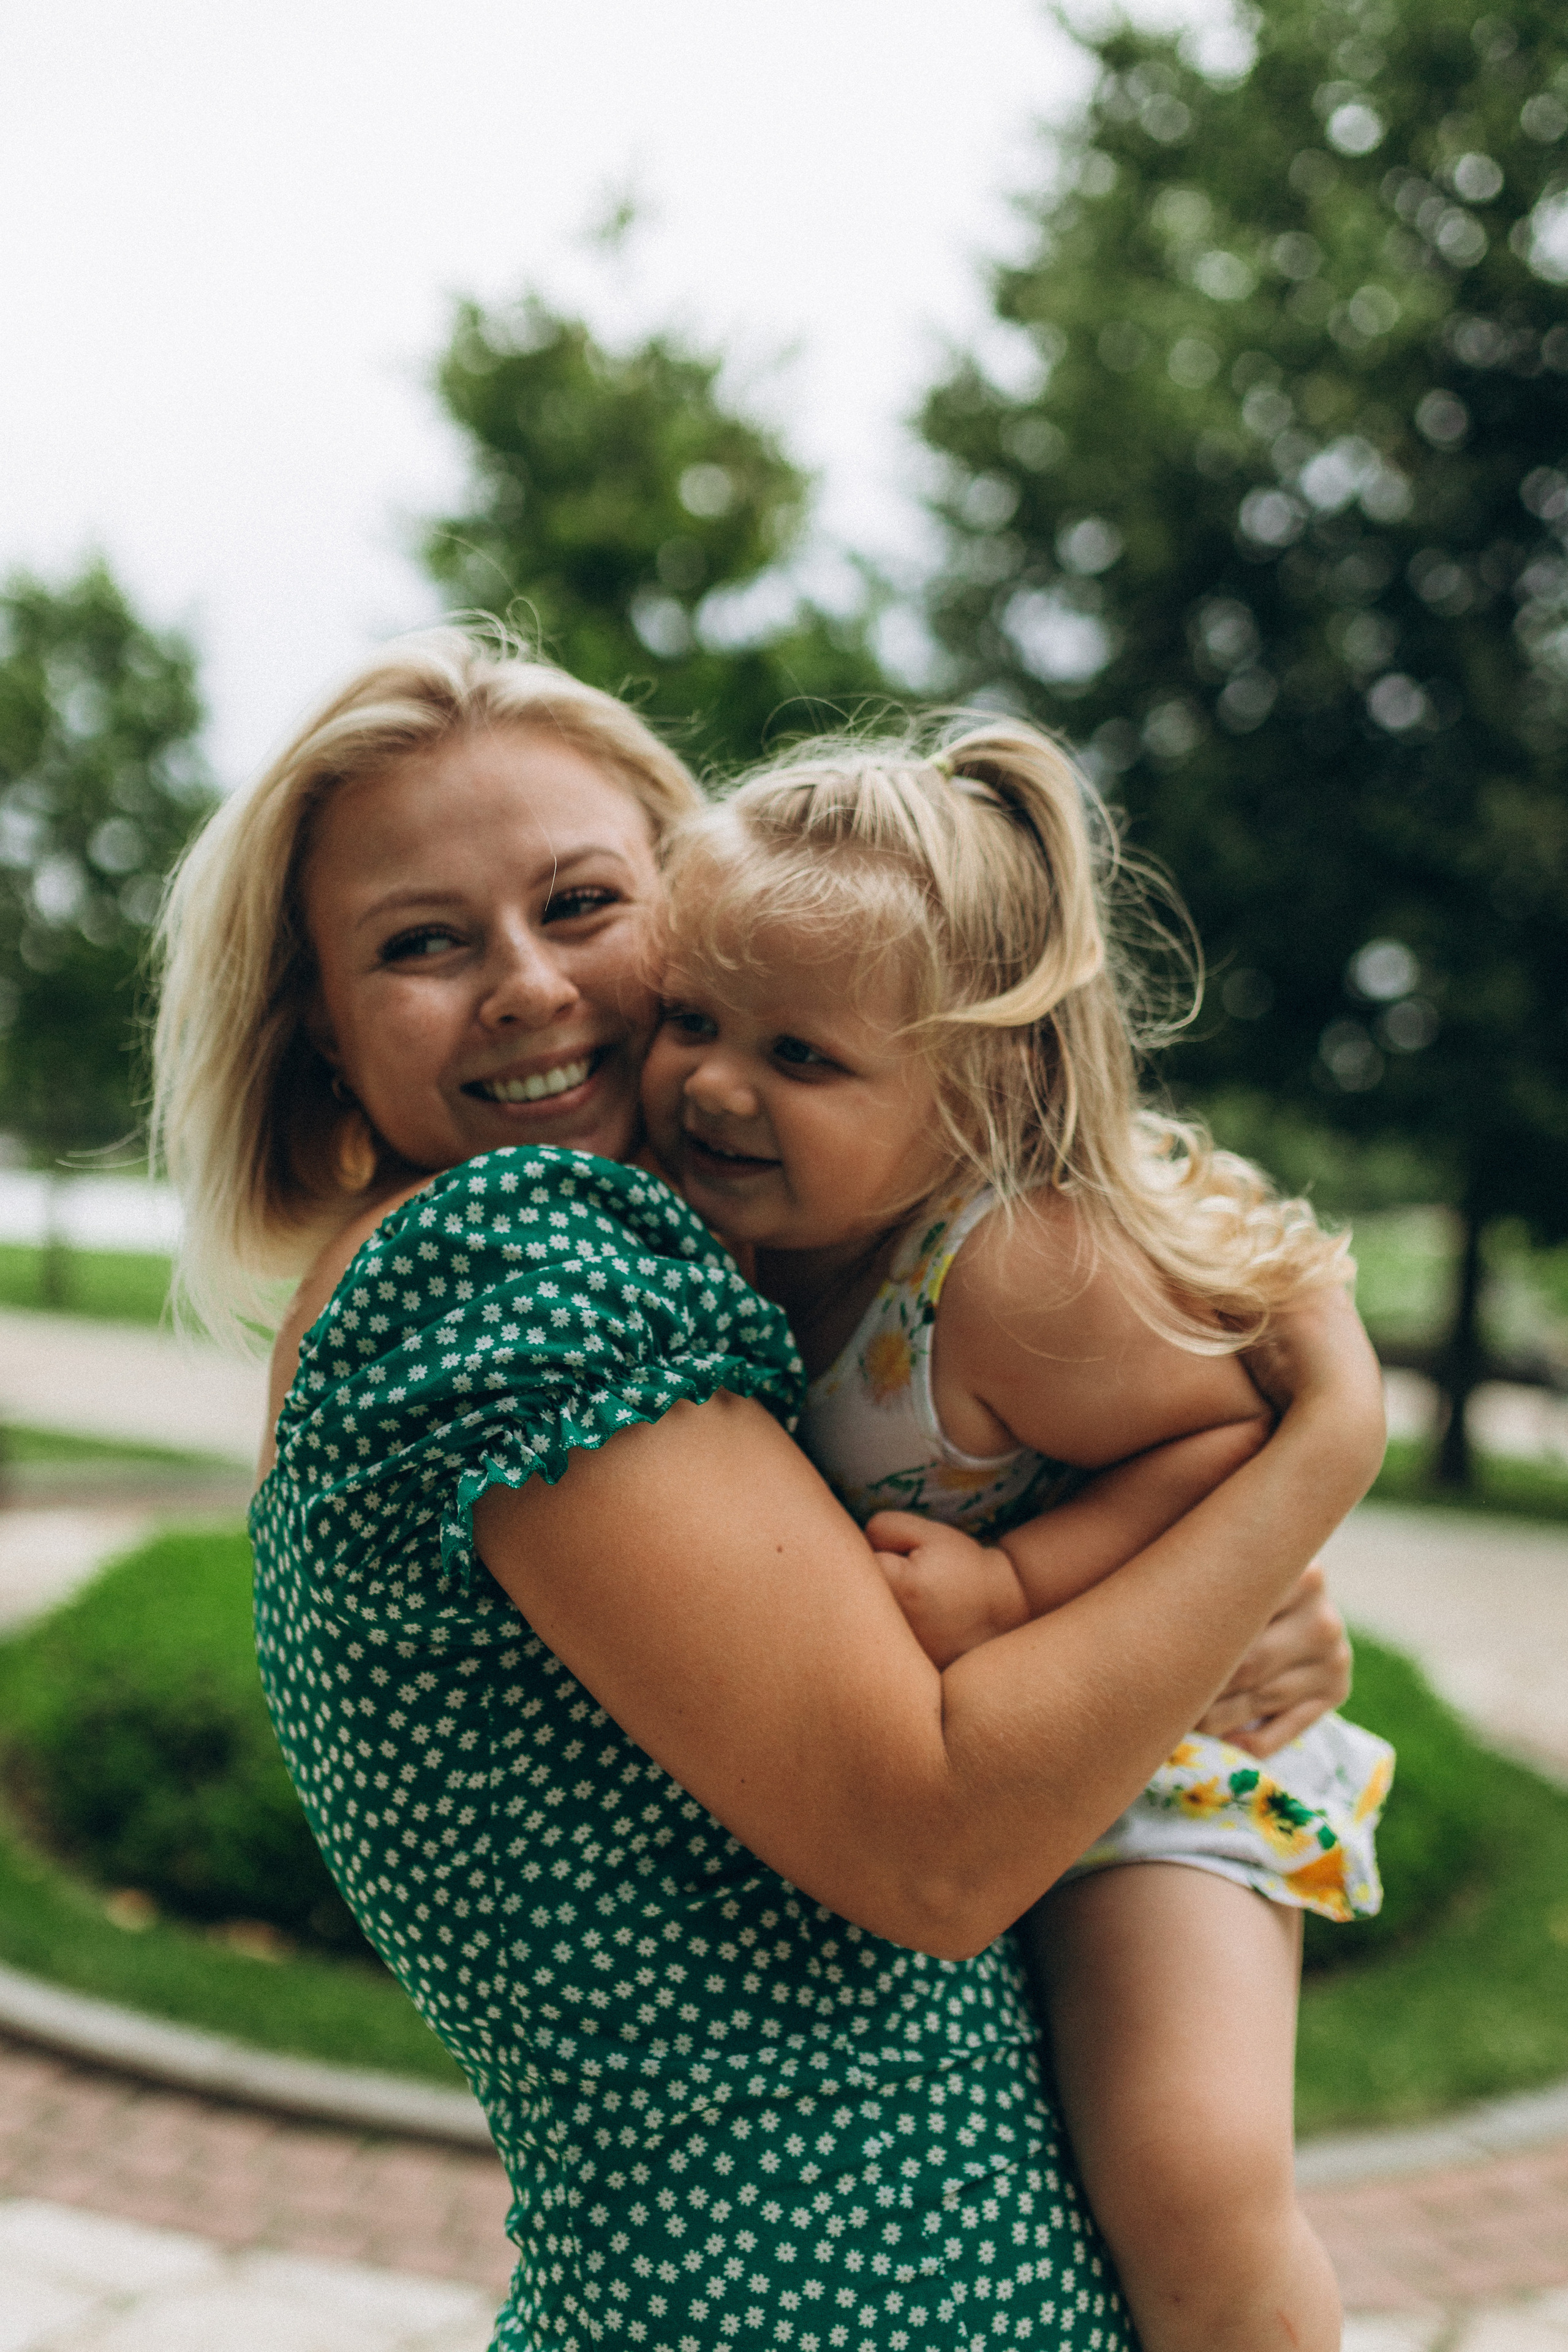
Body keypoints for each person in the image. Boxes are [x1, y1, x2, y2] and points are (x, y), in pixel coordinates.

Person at [151, 627, 1383, 2352]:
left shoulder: (718, 1276)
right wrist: (1323, 1455)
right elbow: (938, 1842)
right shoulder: (513, 1263)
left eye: (583, 903)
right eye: (422, 945)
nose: (523, 984)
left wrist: (1190, 1592)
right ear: (320, 1042)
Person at [639, 723, 1395, 2352]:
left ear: (975, 1092)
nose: (713, 1083)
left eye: (802, 1059)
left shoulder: (1009, 1276)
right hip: (978, 1792)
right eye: (692, 1019)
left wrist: (1018, 1581)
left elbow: (1226, 1432)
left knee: (1190, 2176)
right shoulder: (744, 1242)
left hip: (1161, 1766)